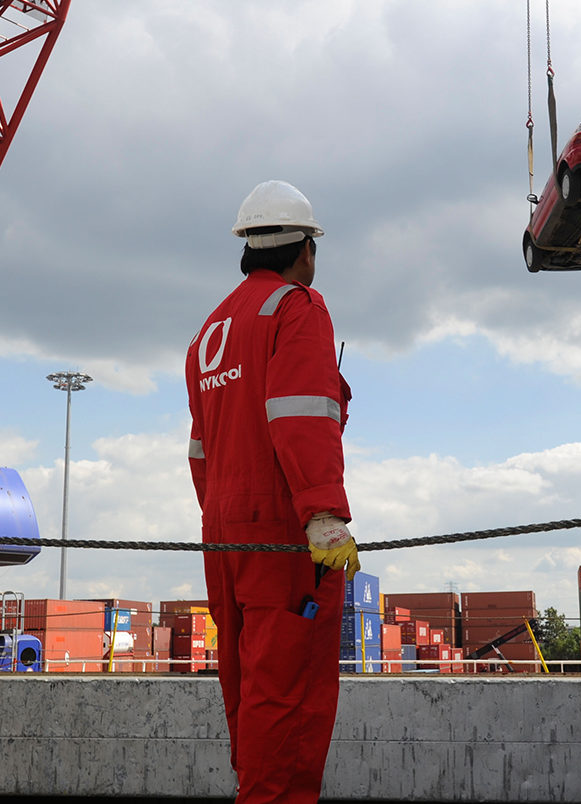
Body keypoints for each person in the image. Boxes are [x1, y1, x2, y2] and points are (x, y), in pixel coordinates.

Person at [185, 179, 361, 803]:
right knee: (288, 687)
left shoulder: (212, 330)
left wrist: (224, 518)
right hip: (283, 529)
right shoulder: (297, 308)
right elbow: (302, 415)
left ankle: (252, 789)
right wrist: (323, 516)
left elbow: (200, 451)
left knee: (246, 680)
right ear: (304, 250)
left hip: (224, 532)